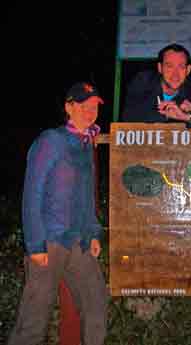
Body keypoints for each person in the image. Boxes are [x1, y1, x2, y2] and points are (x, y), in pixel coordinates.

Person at [7, 82, 107, 345]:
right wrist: (35, 244)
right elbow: (32, 193)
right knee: (33, 320)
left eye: (94, 106)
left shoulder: (86, 144)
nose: (90, 111)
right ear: (68, 107)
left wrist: (94, 232)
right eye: (83, 105)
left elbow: (86, 196)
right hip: (49, 242)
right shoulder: (51, 141)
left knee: (96, 302)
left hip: (79, 241)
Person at [121, 43, 191, 125]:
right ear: (160, 68)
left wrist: (186, 116)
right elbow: (128, 117)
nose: (175, 74)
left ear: (188, 70)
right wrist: (166, 114)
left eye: (181, 67)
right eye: (169, 66)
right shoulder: (143, 81)